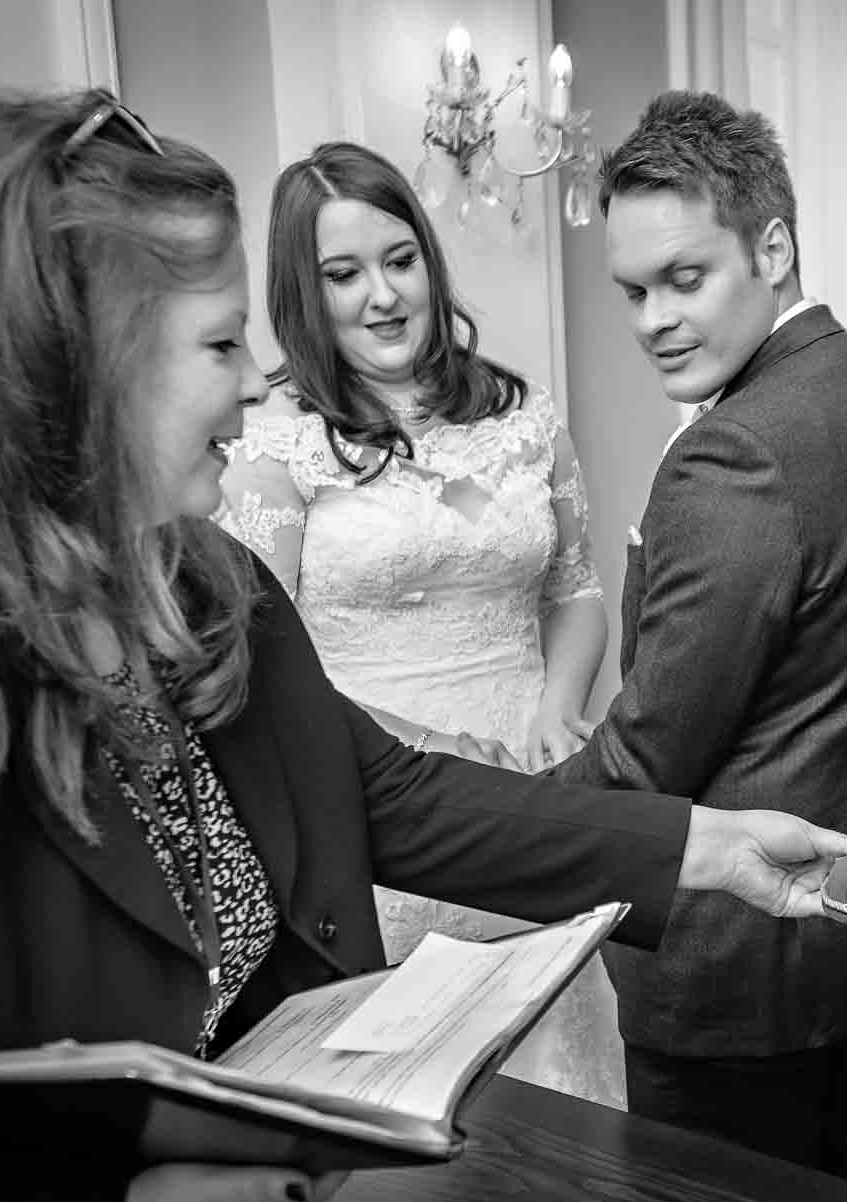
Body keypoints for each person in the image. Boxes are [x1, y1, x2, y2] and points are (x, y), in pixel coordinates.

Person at [0, 88, 847, 1202]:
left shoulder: (206, 589)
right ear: (63, 367)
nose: (253, 388)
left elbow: (396, 801)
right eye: (220, 346)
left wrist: (709, 848)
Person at [547, 90, 847, 1188]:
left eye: (685, 278)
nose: (652, 320)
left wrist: (500, 820)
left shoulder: (736, 452)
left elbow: (648, 756)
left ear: (772, 246)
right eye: (632, 290)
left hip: (727, 975)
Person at [218, 142, 623, 1105]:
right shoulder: (272, 444)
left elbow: (575, 589)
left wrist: (556, 712)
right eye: (343, 274)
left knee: (566, 1091)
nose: (383, 295)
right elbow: (272, 667)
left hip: (534, 777)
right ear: (302, 295)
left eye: (400, 261)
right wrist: (438, 747)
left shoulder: (523, 417)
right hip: (386, 798)